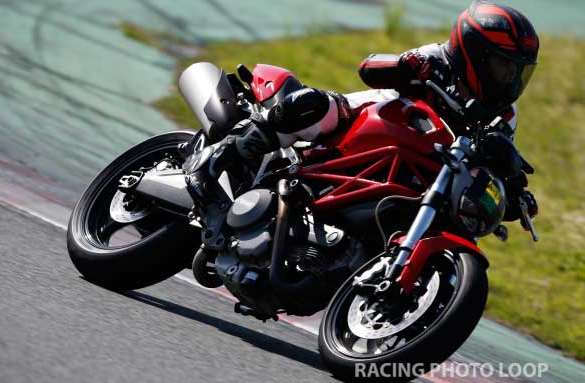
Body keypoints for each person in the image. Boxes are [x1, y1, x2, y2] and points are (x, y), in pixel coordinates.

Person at [184, 0, 538, 235]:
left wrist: (516, 192)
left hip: (420, 170)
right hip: (372, 122)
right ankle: (220, 157)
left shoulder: (504, 114)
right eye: (503, 66)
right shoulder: (438, 59)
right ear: (473, 52)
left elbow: (497, 157)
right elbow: (368, 68)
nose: (511, 79)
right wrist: (406, 65)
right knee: (313, 106)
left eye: (518, 71)